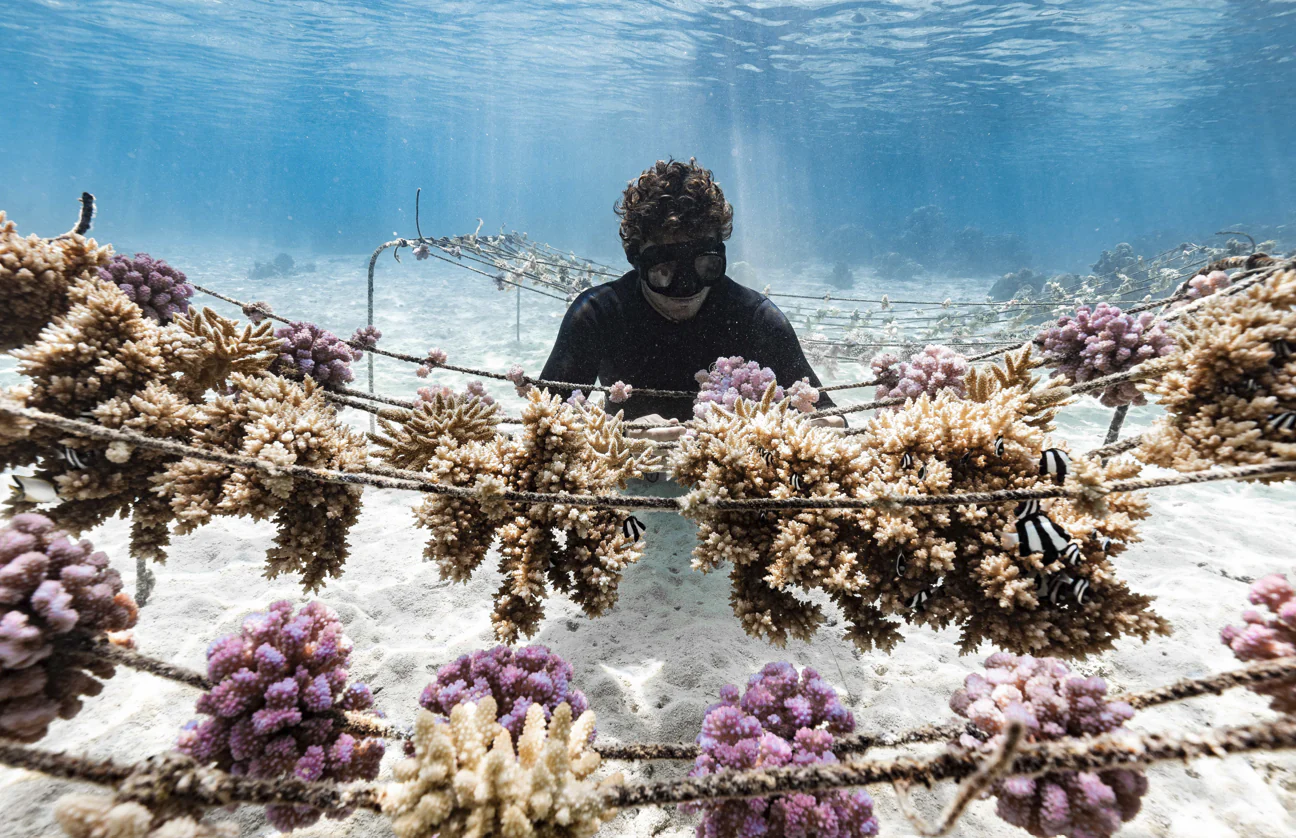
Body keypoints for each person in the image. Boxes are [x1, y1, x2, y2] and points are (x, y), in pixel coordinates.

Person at [539, 158, 841, 441]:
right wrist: (623, 433)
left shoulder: (755, 318)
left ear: (720, 257)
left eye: (702, 266)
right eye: (664, 269)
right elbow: (543, 420)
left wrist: (807, 430)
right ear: (635, 259)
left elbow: (833, 419)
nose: (686, 288)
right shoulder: (599, 313)